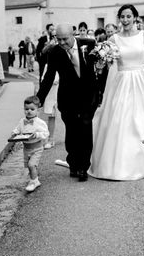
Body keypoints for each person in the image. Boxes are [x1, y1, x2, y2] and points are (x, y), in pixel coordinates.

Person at [89, 3, 144, 180]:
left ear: (135, 18)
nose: (126, 20)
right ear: (119, 19)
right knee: (121, 119)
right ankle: (119, 163)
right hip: (122, 82)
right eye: (122, 16)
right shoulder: (113, 39)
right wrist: (101, 62)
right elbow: (107, 64)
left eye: (129, 16)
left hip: (142, 79)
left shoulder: (143, 36)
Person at [37, 23, 100, 182]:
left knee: (85, 130)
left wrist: (102, 89)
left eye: (65, 39)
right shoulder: (55, 52)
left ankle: (83, 167)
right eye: (59, 39)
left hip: (88, 95)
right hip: (67, 97)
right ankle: (73, 162)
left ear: (73, 35)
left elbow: (100, 68)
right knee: (72, 132)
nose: (62, 43)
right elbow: (49, 77)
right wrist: (40, 97)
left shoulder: (90, 44)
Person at [9, 96, 49, 192]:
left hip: (37, 148)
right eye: (26, 109)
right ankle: (34, 179)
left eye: (32, 109)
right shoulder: (22, 121)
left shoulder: (40, 123)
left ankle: (33, 182)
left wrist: (37, 135)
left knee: (32, 165)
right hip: (26, 148)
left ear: (38, 110)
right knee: (29, 166)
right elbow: (17, 129)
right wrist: (14, 133)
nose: (29, 111)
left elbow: (46, 133)